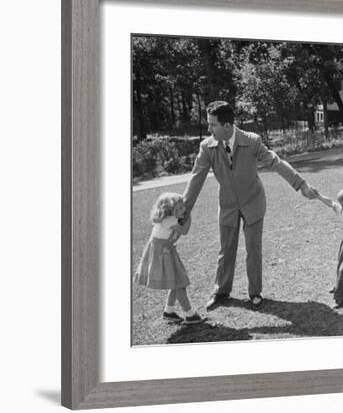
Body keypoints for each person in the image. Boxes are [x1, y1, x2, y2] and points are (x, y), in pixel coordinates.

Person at [181, 101, 317, 310]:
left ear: (227, 126)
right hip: (227, 205)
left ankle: (255, 292)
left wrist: (301, 184)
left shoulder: (252, 141)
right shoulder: (207, 147)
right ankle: (221, 291)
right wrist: (184, 209)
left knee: (253, 249)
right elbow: (196, 178)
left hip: (253, 202)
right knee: (226, 250)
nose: (209, 129)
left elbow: (276, 162)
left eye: (212, 125)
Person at [134, 192, 205, 324]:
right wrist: (189, 216)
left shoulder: (170, 218)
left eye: (183, 207)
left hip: (166, 250)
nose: (183, 210)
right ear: (168, 211)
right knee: (179, 283)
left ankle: (169, 312)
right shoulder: (169, 220)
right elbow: (184, 231)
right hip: (162, 252)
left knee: (176, 281)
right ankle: (190, 314)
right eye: (179, 208)